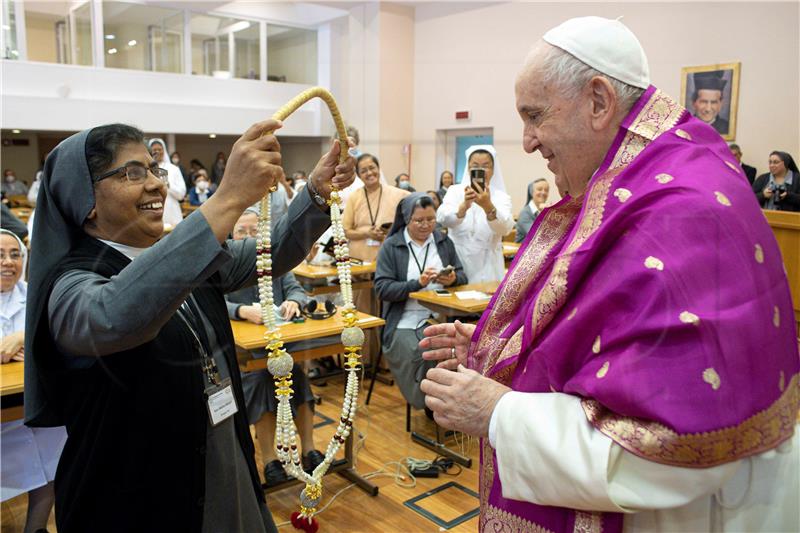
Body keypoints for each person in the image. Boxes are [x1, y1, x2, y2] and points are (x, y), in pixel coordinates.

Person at [420, 16, 798, 533]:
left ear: (599, 102)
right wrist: (501, 352)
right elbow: (604, 332)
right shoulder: (643, 184)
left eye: (534, 116)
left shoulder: (679, 212)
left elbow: (668, 449)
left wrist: (499, 413)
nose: (527, 142)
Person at [23, 122, 356, 532]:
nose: (155, 186)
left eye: (154, 170)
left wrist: (316, 196)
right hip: (137, 500)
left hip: (220, 460)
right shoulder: (70, 285)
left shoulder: (185, 252)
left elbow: (272, 252)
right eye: (132, 173)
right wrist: (229, 197)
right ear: (85, 200)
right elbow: (114, 316)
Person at [225, 210, 326, 487]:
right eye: (241, 232)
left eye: (253, 231)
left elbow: (297, 290)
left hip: (279, 347)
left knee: (296, 377)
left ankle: (309, 449)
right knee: (260, 380)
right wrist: (242, 310)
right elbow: (213, 301)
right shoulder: (226, 264)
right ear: (231, 236)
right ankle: (270, 459)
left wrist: (294, 301)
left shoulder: (274, 261)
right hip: (245, 354)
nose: (248, 237)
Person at [1, 229, 68, 532]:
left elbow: (59, 335)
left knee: (52, 458)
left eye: (15, 255)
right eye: (0, 255)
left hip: (35, 402)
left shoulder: (34, 294)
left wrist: (22, 338)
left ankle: (36, 528)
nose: (8, 262)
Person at [374, 193, 466, 409]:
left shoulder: (443, 241)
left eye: (431, 219)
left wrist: (452, 279)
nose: (426, 225)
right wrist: (417, 283)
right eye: (419, 221)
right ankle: (432, 406)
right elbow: (382, 288)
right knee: (423, 350)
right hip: (404, 319)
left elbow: (462, 276)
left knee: (463, 348)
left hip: (441, 316)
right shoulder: (392, 247)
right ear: (407, 219)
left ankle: (453, 405)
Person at [436, 145, 514, 283]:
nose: (481, 170)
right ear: (468, 168)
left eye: (486, 166)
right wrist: (463, 207)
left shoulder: (501, 196)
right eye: (475, 166)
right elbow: (442, 219)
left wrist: (488, 206)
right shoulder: (455, 191)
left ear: (493, 169)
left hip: (488, 264)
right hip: (457, 260)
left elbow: (505, 229)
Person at [343, 154, 410, 263]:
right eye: (364, 171)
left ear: (378, 169)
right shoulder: (354, 197)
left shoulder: (398, 194)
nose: (369, 173)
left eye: (372, 168)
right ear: (359, 176)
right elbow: (346, 231)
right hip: (358, 259)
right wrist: (367, 234)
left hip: (389, 255)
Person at [148, 138, 186, 228]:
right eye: (154, 150)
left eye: (159, 149)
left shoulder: (174, 169)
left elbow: (181, 194)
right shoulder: (146, 170)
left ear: (164, 150)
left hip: (172, 213)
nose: (157, 152)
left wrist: (167, 184)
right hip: (152, 212)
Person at [691, 70, 729, 135]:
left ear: (720, 104)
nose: (708, 109)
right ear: (694, 103)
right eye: (704, 102)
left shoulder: (726, 127)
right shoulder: (683, 127)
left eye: (713, 102)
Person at [514, 178, 550, 242]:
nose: (543, 192)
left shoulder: (544, 211)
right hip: (523, 250)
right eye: (539, 189)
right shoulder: (525, 213)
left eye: (546, 190)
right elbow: (536, 236)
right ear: (531, 192)